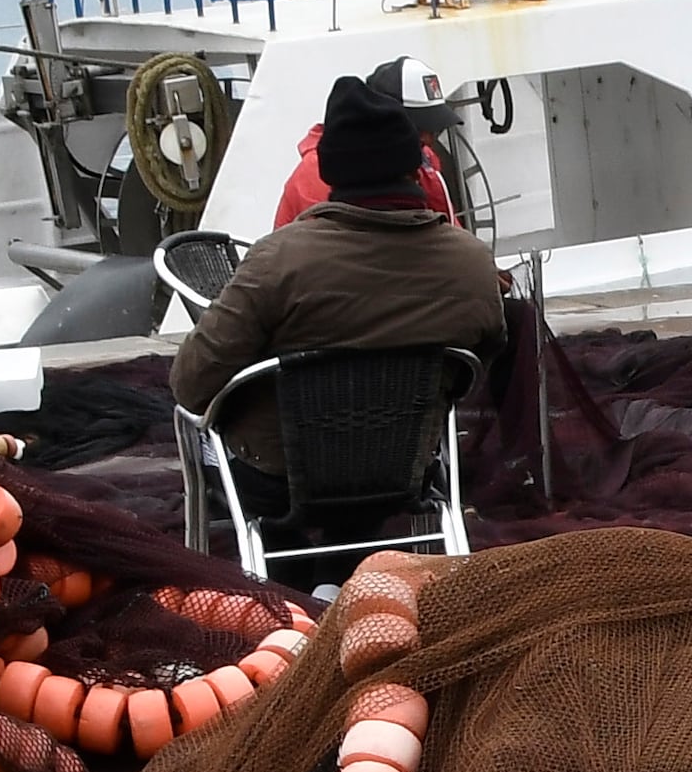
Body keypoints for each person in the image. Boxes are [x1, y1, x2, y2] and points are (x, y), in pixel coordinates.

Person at [172, 69, 501, 508]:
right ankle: (338, 565)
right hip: (407, 472)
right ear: (414, 164)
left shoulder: (277, 260)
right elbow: (480, 360)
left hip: (277, 479)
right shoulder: (472, 262)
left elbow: (190, 382)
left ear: (330, 169)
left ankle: (295, 566)